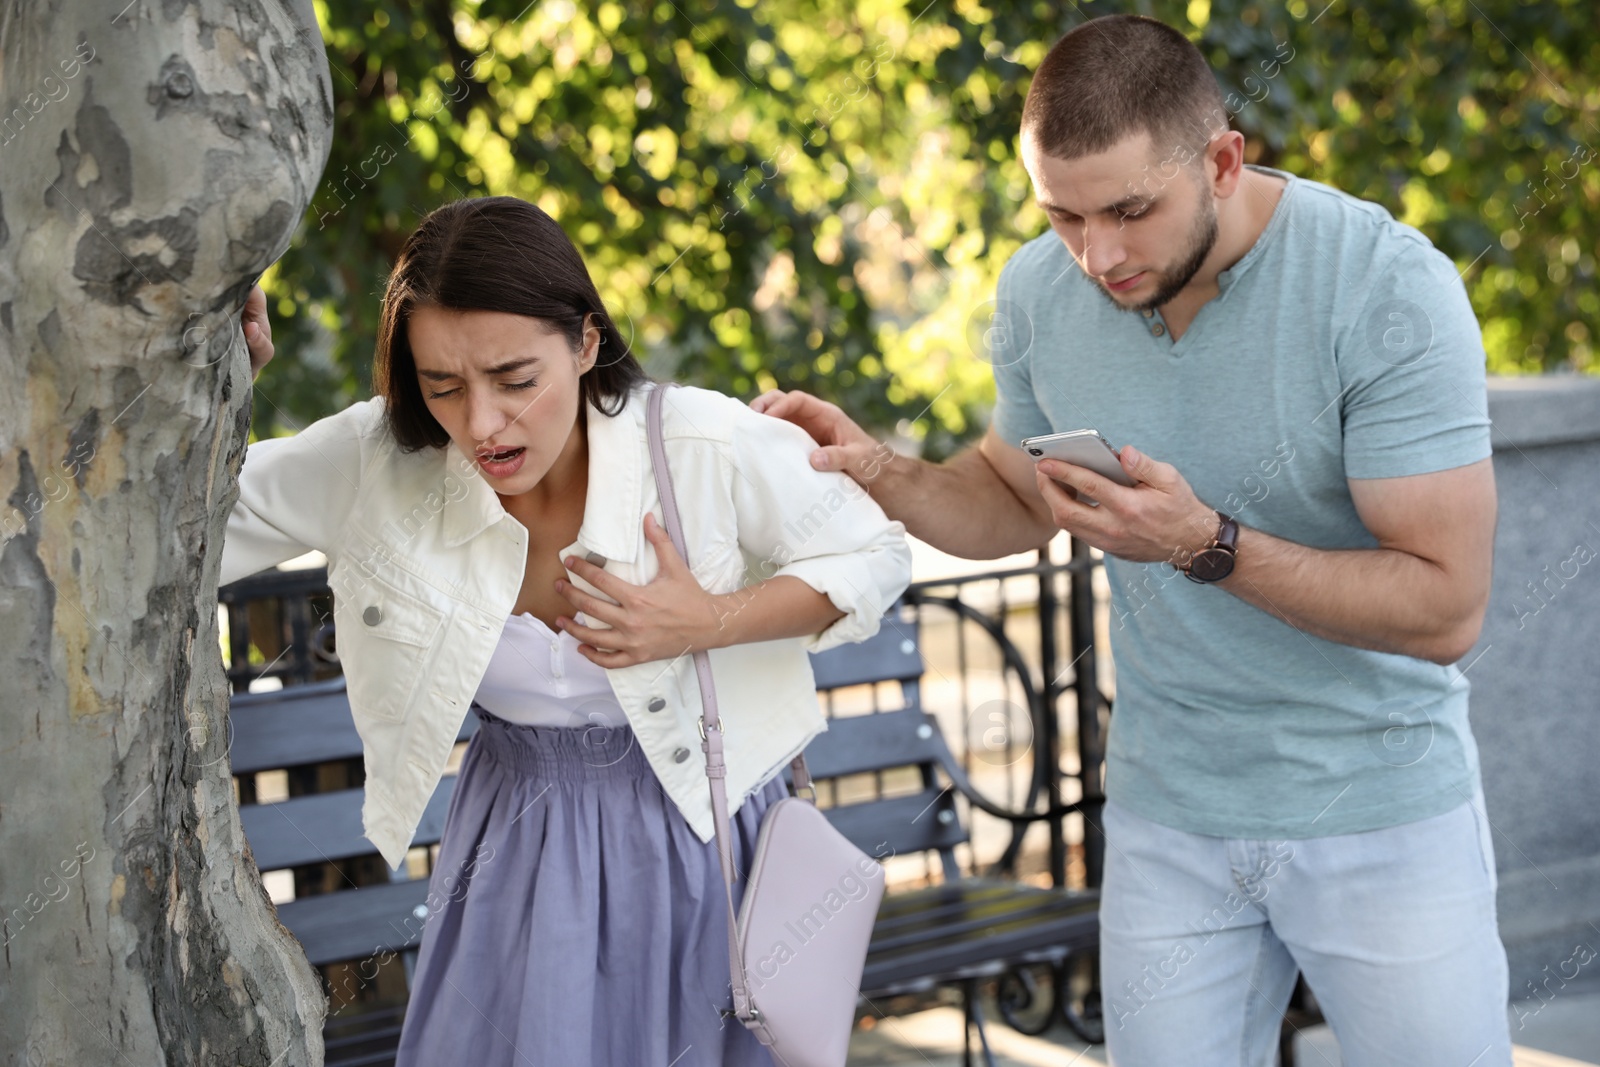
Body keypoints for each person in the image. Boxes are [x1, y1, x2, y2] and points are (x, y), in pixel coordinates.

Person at [754, 14, 1509, 1067]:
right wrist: (878, 470)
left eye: (1129, 211)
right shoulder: (1039, 289)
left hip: (1378, 810)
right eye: (1062, 215)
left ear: (1222, 159)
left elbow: (1447, 607)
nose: (1096, 254)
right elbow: (1009, 499)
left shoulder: (1384, 286)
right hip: (1169, 812)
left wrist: (1206, 543)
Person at [227, 195, 912, 1066]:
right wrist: (217, 384)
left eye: (516, 380)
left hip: (702, 849)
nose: (481, 424)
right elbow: (196, 522)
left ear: (587, 343)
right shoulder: (380, 463)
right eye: (443, 385)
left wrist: (711, 620)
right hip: (514, 856)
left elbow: (875, 553)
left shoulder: (698, 440)